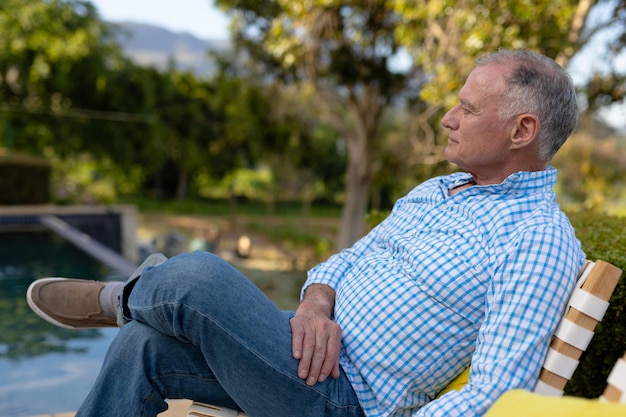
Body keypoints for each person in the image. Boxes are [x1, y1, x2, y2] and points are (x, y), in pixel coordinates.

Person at [26, 49, 585, 417]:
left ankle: (124, 297)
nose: (448, 118)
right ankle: (146, 303)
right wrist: (317, 305)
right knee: (143, 344)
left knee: (199, 273)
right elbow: (345, 260)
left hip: (345, 402)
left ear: (522, 130)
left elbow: (498, 395)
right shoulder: (437, 192)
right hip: (297, 356)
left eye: (467, 107)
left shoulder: (535, 239)